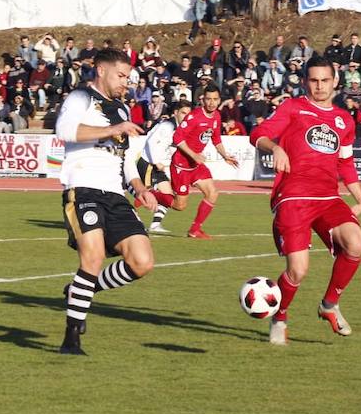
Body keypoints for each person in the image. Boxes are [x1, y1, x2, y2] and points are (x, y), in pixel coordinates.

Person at [249, 56, 361, 343]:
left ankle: (329, 305)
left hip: (328, 197)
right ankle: (280, 316)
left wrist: (360, 199)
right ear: (304, 82)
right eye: (313, 80)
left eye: (325, 80)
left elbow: (346, 163)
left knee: (356, 242)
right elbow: (259, 134)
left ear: (335, 81)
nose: (320, 86)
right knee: (298, 270)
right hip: (294, 197)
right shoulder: (293, 107)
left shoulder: (344, 120)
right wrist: (275, 148)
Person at [54, 48, 159, 355]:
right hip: (83, 189)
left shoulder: (123, 111)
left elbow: (126, 159)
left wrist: (140, 187)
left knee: (142, 262)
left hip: (116, 195)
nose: (126, 82)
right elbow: (64, 131)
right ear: (101, 71)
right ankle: (71, 337)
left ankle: (78, 291)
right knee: (93, 257)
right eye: (122, 75)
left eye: (128, 76)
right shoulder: (80, 98)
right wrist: (113, 129)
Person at [169, 84, 239, 239]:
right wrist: (194, 155)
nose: (211, 103)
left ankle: (194, 230)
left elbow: (216, 139)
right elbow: (177, 138)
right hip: (181, 164)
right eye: (208, 99)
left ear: (219, 100)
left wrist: (224, 155)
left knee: (212, 193)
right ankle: (154, 195)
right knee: (180, 206)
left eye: (215, 99)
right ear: (203, 100)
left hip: (196, 165)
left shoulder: (216, 116)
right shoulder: (194, 116)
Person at [131, 101, 193, 234]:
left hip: (157, 167)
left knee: (169, 196)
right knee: (147, 196)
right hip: (148, 164)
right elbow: (151, 141)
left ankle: (155, 225)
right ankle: (132, 216)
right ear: (175, 113)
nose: (186, 117)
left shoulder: (178, 128)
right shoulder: (167, 126)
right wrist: (156, 162)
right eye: (183, 113)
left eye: (188, 114)